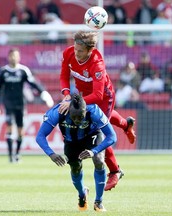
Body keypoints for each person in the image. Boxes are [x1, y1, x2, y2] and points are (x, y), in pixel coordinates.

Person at [59, 30, 136, 191]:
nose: (76, 53)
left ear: (90, 50)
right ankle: (125, 124)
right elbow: (64, 76)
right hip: (83, 95)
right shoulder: (69, 53)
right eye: (75, 49)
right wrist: (67, 95)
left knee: (99, 130)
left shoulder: (97, 64)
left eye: (80, 51)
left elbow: (98, 94)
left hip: (103, 98)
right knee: (102, 122)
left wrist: (74, 103)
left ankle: (115, 171)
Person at [36, 94, 116, 212]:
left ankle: (98, 201)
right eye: (74, 117)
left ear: (85, 110)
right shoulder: (58, 112)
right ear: (68, 110)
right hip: (71, 141)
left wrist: (94, 151)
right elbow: (40, 136)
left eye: (81, 117)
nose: (78, 120)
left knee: (99, 160)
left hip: (91, 136)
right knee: (75, 167)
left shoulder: (94, 111)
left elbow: (112, 136)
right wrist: (51, 154)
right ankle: (82, 193)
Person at [0, 48, 54, 163]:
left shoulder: (23, 70)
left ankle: (17, 154)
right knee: (9, 128)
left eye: (15, 56)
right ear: (8, 57)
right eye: (11, 56)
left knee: (20, 130)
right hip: (8, 103)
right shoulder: (3, 71)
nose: (13, 58)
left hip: (20, 104)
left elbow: (33, 83)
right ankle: (10, 156)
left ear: (18, 57)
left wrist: (43, 93)